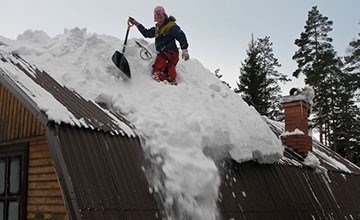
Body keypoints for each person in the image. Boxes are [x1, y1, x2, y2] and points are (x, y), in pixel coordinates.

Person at [129, 6, 189, 84]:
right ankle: (171, 82)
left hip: (169, 52)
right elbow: (146, 33)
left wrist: (184, 48)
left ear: (164, 16)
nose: (159, 19)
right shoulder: (157, 29)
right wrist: (136, 23)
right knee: (168, 68)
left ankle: (163, 83)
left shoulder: (170, 25)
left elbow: (180, 34)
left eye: (160, 16)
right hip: (170, 55)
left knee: (156, 69)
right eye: (157, 17)